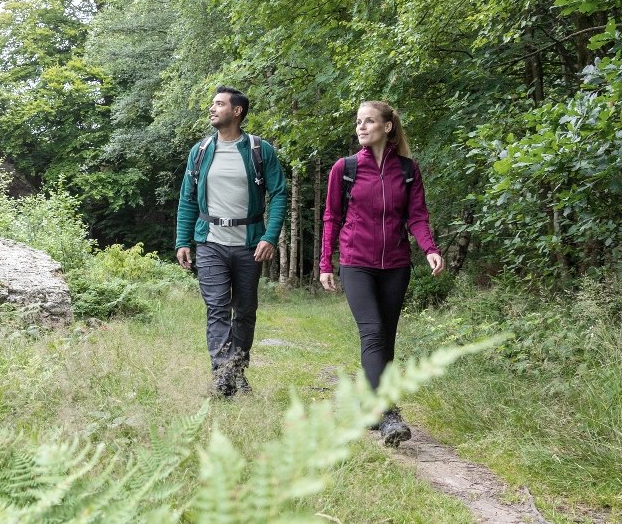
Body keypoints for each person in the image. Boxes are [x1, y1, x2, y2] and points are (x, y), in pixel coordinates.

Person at [319, 100, 445, 446]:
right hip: (357, 263)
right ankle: (388, 414)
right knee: (372, 333)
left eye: (368, 121)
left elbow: (417, 216)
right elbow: (332, 218)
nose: (361, 127)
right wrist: (326, 263)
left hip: (396, 266)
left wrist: (430, 249)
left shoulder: (407, 169)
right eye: (358, 122)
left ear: (387, 127)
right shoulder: (344, 169)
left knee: (386, 340)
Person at [176, 86, 288, 397]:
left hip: (249, 244)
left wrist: (269, 236)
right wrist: (182, 241)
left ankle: (236, 371)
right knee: (217, 308)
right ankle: (222, 375)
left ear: (236, 111)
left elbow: (279, 194)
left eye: (219, 104)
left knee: (246, 309)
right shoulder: (200, 151)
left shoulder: (259, 150)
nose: (212, 109)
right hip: (210, 241)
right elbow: (187, 199)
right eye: (212, 104)